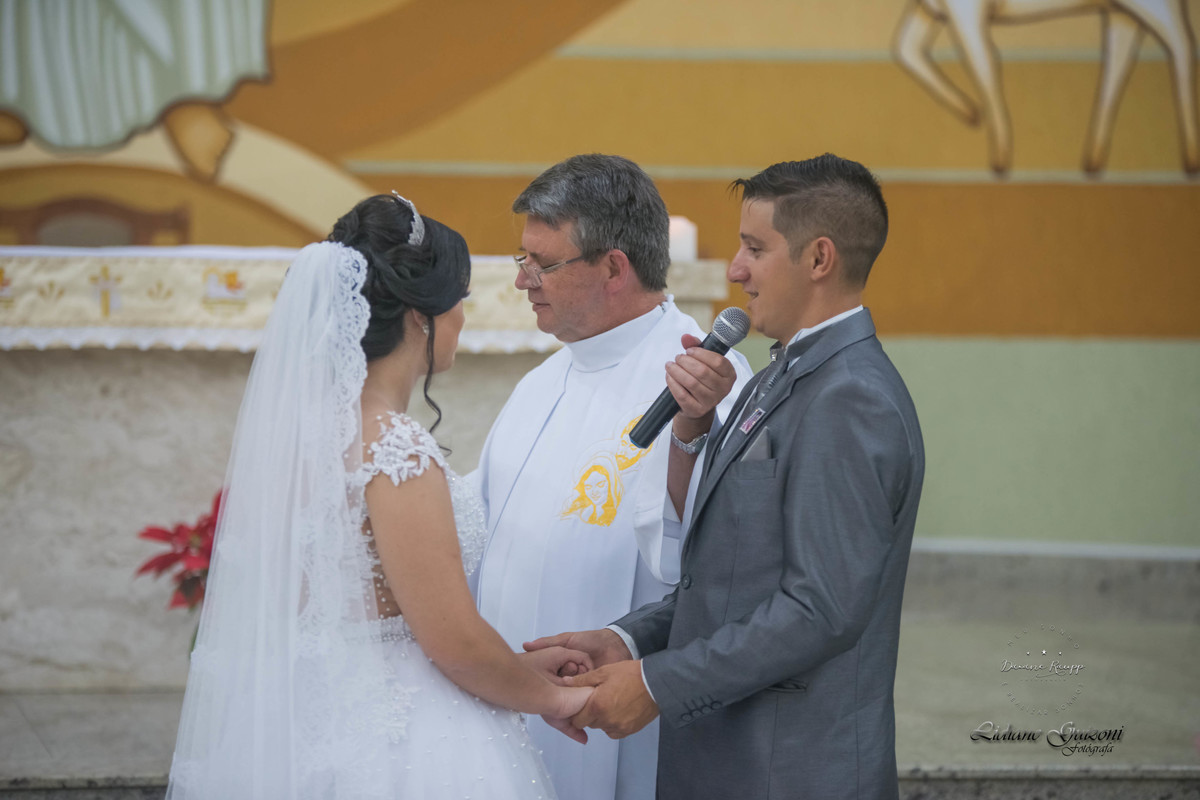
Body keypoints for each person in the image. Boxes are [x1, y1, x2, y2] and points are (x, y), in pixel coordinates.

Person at [166, 193, 593, 799]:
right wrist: (557, 699)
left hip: (308, 718)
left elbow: (370, 618)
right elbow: (450, 639)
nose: (463, 318)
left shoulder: (307, 440)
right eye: (461, 300)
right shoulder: (396, 450)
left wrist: (515, 670)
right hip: (402, 743)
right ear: (420, 315)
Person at [529, 154, 927, 800]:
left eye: (754, 248)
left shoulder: (852, 398)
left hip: (788, 772)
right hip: (731, 764)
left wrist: (657, 684)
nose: (735, 269)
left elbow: (820, 610)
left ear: (819, 258)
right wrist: (626, 640)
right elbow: (733, 574)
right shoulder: (776, 377)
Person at [472, 154, 753, 800]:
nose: (522, 280)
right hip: (514, 711)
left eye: (541, 263)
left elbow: (722, 566)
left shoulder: (705, 381)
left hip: (621, 719)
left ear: (614, 268)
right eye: (522, 259)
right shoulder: (541, 381)